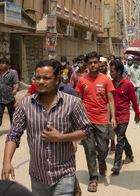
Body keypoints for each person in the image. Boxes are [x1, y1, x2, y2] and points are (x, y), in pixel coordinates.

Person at [1, 59, 91, 196]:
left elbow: (86, 131)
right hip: (38, 177)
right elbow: (14, 134)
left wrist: (62, 137)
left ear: (56, 80)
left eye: (46, 78)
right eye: (38, 77)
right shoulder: (25, 105)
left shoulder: (73, 103)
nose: (41, 81)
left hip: (64, 174)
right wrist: (6, 162)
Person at [75, 51, 117, 193]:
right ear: (87, 64)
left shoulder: (106, 79)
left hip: (102, 119)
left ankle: (102, 161)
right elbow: (78, 101)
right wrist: (77, 119)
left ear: (99, 63)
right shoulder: (82, 80)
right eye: (90, 63)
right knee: (89, 150)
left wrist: (112, 117)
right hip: (86, 121)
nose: (93, 65)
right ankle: (93, 178)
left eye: (95, 62)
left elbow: (111, 99)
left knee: (104, 149)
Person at [109, 61, 140, 174]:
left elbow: (134, 100)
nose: (110, 72)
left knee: (120, 139)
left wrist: (137, 113)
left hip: (124, 116)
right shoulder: (110, 84)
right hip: (113, 116)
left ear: (118, 72)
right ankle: (129, 153)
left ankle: (117, 164)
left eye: (112, 71)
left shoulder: (128, 84)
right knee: (121, 137)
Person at [0, 57, 19, 126]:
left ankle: (13, 129)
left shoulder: (11, 74)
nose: (1, 65)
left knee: (12, 115)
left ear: (7, 65)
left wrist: (15, 90)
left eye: (2, 63)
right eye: (0, 63)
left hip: (10, 98)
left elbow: (16, 82)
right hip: (0, 99)